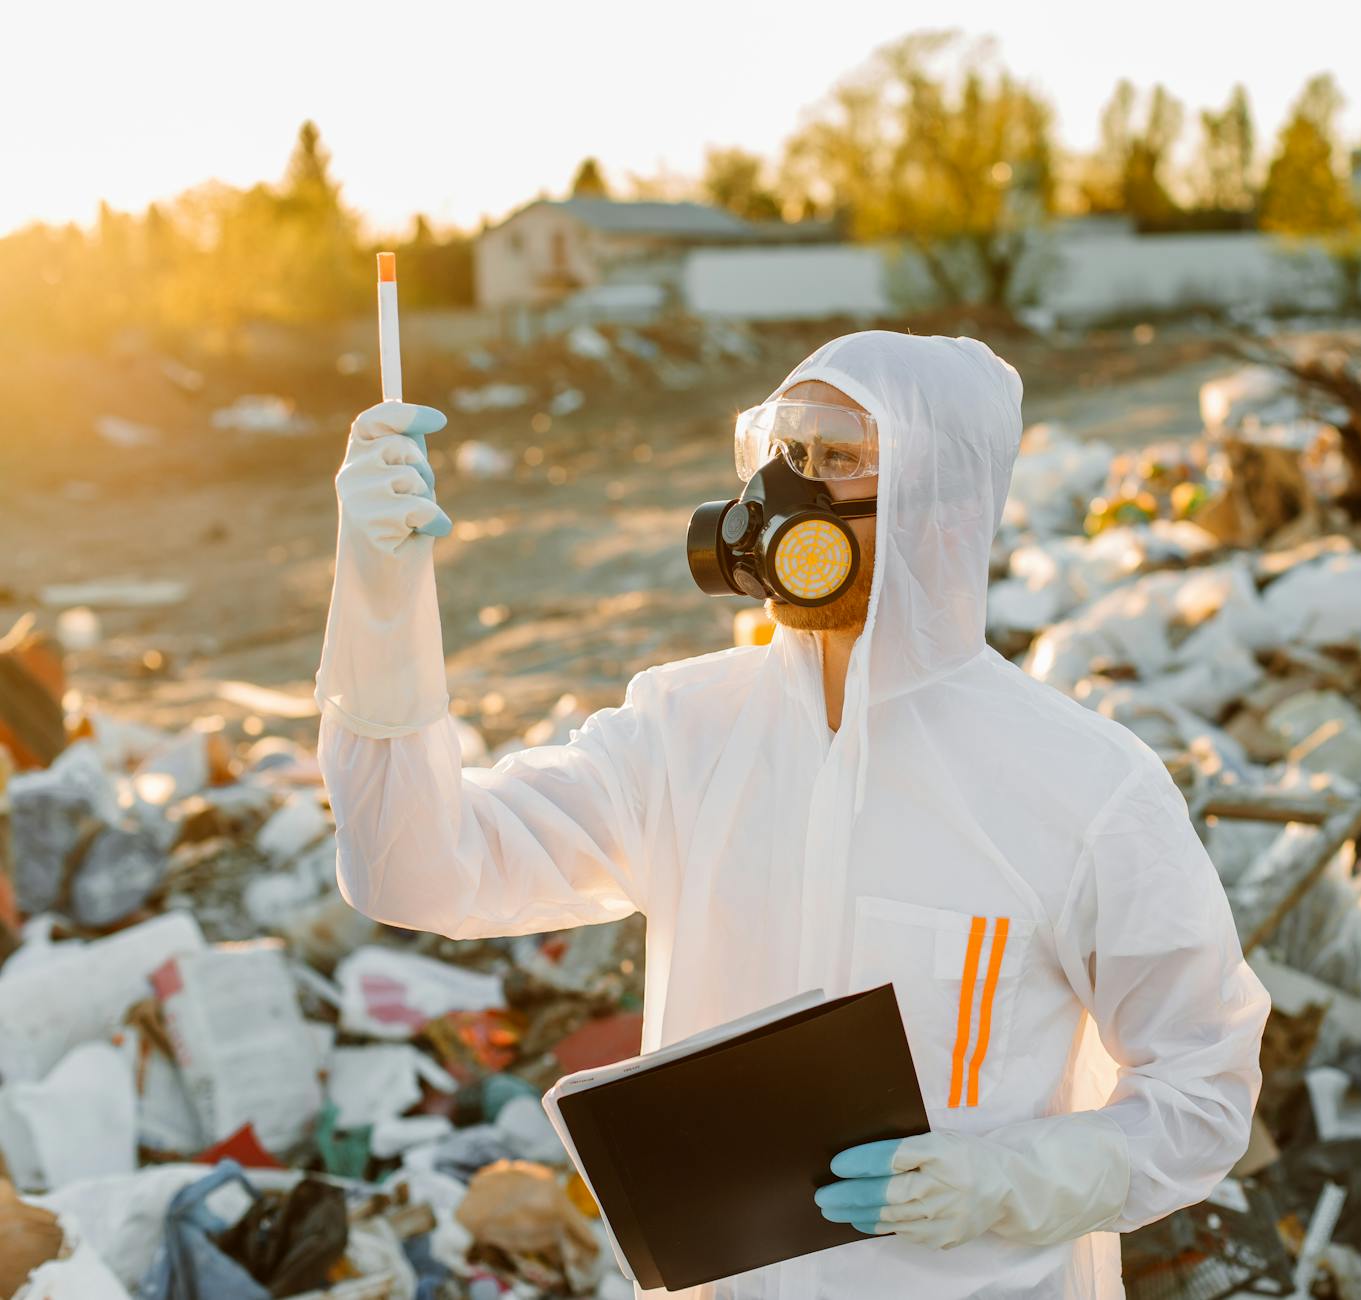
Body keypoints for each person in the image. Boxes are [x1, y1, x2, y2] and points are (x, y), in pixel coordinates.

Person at [315, 330, 1270, 1300]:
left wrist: (1010, 1179)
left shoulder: (1081, 786)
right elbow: (417, 869)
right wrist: (380, 606)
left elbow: (1203, 1089)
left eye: (839, 458)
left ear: (943, 508)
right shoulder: (682, 735)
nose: (789, 489)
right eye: (786, 452)